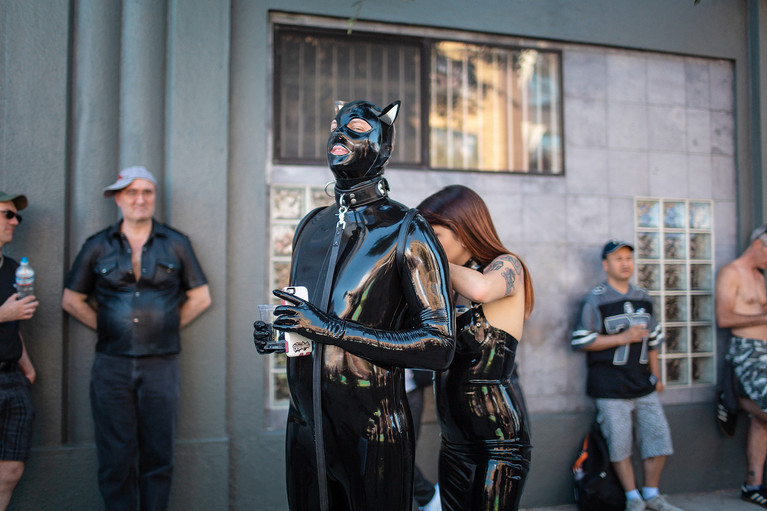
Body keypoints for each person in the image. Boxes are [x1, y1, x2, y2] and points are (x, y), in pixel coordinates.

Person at [253, 100, 455, 511]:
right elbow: (308, 322)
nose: (338, 134)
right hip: (305, 427)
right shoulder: (312, 225)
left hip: (372, 432)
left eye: (356, 127)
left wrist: (331, 330)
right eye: (334, 126)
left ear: (382, 147)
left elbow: (440, 345)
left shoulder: (406, 227)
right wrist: (285, 334)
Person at [61, 166, 211, 511]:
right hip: (111, 365)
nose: (140, 199)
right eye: (132, 192)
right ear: (117, 198)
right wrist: (107, 326)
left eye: (147, 192)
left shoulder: (176, 243)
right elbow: (71, 300)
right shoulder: (97, 245)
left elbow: (201, 297)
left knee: (159, 454)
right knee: (116, 457)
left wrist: (166, 325)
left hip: (162, 364)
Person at [417, 185, 534, 511]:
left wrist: (424, 257)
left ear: (465, 232)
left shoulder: (506, 266)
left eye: (435, 235)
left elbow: (481, 289)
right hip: (453, 440)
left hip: (498, 442)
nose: (427, 244)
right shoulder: (443, 284)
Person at [571, 240, 682, 511]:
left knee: (658, 438)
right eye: (618, 258)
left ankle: (652, 493)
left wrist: (657, 376)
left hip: (642, 382)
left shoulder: (643, 297)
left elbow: (654, 340)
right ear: (606, 264)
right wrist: (622, 338)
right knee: (619, 442)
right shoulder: (596, 298)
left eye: (629, 258)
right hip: (609, 384)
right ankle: (633, 498)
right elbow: (582, 340)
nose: (625, 263)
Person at [715, 224, 767, 508]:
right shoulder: (731, 272)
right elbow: (724, 318)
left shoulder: (759, 277)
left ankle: (752, 485)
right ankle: (731, 399)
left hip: (766, 352)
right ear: (758, 245)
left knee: (762, 421)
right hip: (746, 351)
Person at [0, 190, 38, 511]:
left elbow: (14, 325)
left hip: (12, 379)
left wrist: (26, 366)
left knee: (12, 468)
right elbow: (7, 316)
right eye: (7, 214)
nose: (15, 221)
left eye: (16, 216)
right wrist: (4, 313)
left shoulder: (13, 267)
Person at [405, 368, 441, 511]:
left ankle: (429, 498)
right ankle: (428, 497)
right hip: (376, 390)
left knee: (405, 453)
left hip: (410, 390)